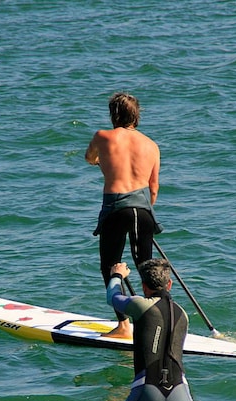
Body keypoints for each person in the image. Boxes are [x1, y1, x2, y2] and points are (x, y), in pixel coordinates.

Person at [105, 259, 206, 401]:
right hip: (178, 387)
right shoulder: (183, 314)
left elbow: (112, 297)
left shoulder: (140, 305)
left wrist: (117, 275)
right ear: (169, 284)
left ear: (144, 286)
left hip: (147, 388)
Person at [86, 92, 162, 340]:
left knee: (110, 266)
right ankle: (155, 320)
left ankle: (123, 325)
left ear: (113, 115)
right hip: (144, 212)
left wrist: (100, 161)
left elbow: (90, 158)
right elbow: (153, 189)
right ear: (136, 115)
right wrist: (141, 210)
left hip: (116, 210)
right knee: (147, 268)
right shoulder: (151, 145)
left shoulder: (102, 136)